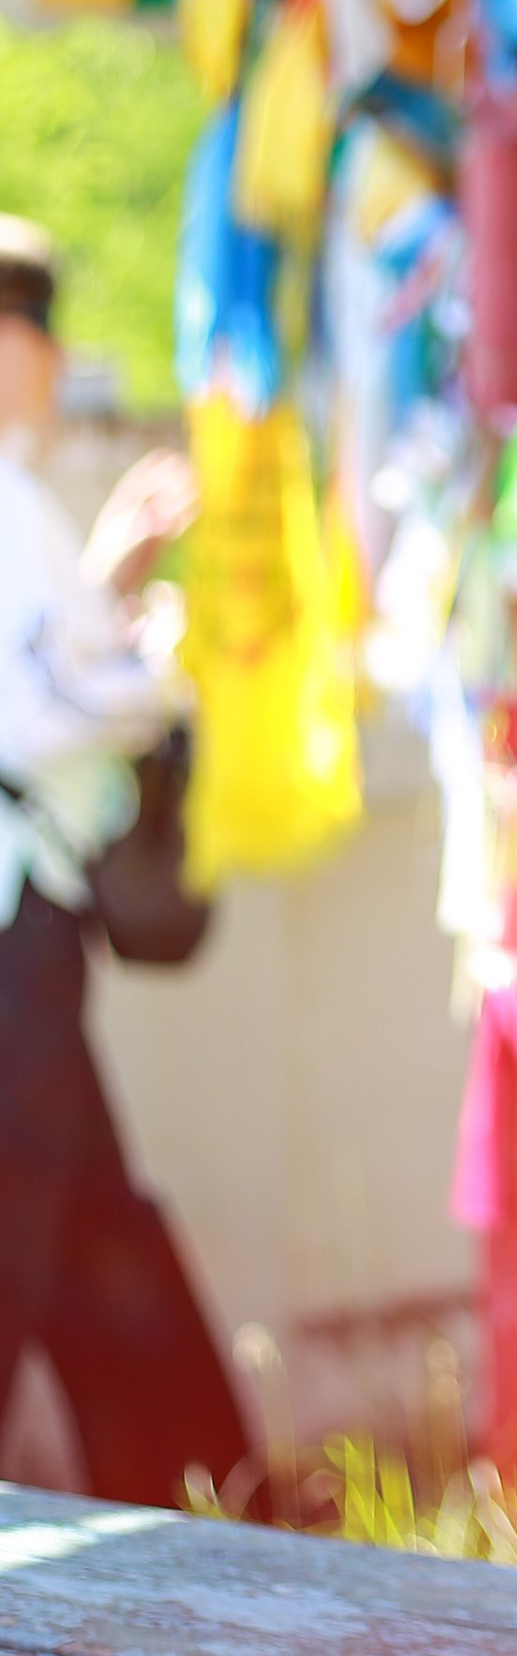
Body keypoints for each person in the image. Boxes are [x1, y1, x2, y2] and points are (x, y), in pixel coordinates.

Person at [0, 217, 247, 1506]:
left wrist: (116, 612)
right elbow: (45, 705)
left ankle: (207, 1495)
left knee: (95, 1233)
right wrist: (157, 669)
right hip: (12, 938)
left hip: (30, 926)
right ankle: (210, 1497)